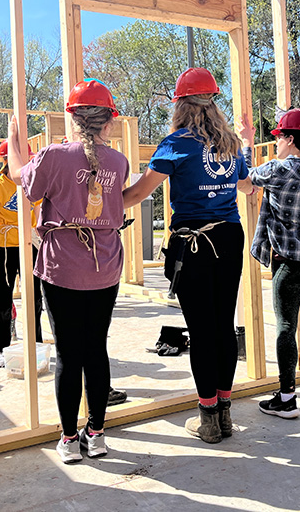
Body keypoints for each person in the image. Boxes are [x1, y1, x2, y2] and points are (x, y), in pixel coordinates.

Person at [6, 79, 129, 463]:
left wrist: (14, 141)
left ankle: (69, 438)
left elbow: (18, 178)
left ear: (72, 119)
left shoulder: (53, 156)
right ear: (109, 121)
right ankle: (96, 434)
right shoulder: (119, 162)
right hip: (105, 267)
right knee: (96, 350)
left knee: (67, 354)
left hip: (62, 268)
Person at [123, 67, 248, 444]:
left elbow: (138, 195)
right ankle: (225, 412)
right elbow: (245, 184)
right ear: (213, 103)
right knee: (224, 325)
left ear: (181, 105)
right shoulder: (230, 144)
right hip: (229, 236)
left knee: (201, 329)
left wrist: (97, 200)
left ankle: (208, 416)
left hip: (193, 242)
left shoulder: (176, 143)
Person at [236, 109, 300, 418]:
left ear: (290, 139)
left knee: (286, 326)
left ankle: (287, 397)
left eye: (278, 137)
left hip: (291, 262)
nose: (276, 143)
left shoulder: (278, 170)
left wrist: (246, 143)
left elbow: (243, 180)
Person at [0, 140, 45, 368]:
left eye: (27, 158)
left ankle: (36, 345)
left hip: (29, 246)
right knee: (2, 300)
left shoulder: (32, 185)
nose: (25, 162)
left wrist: (44, 245)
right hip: (3, 248)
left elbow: (39, 218)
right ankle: (0, 348)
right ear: (6, 160)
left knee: (35, 299)